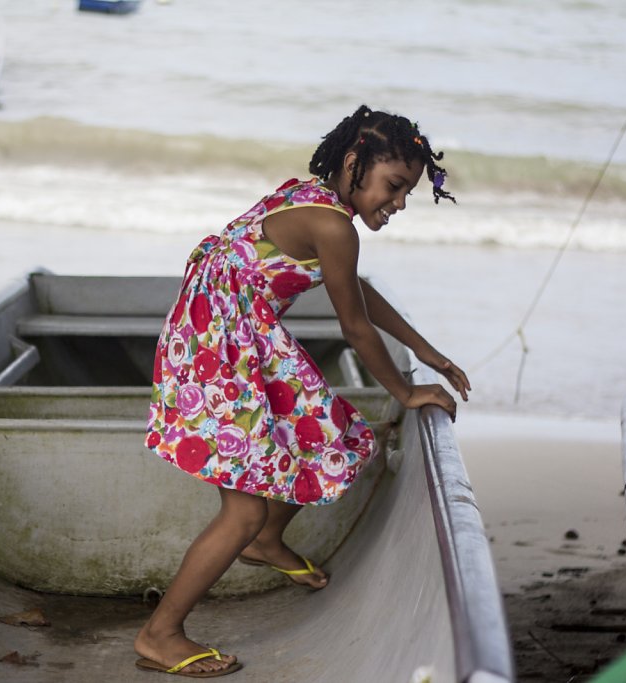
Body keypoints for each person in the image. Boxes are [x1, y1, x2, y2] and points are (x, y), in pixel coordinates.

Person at [134, 105, 470, 678]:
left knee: (334, 440)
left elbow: (356, 291)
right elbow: (354, 326)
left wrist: (428, 352)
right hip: (221, 351)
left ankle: (266, 541)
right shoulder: (332, 225)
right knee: (240, 511)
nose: (401, 202)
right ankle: (160, 633)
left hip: (225, 336)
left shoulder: (311, 196)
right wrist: (406, 392)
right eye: (395, 185)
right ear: (353, 162)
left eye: (409, 190)